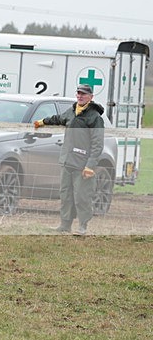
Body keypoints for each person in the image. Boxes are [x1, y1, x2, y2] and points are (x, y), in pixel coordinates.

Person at [34, 84, 105, 235]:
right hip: (67, 161)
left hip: (82, 164)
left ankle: (83, 226)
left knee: (82, 196)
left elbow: (98, 144)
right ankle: (65, 225)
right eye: (78, 93)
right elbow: (59, 118)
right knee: (65, 194)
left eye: (84, 94)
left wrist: (90, 165)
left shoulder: (95, 117)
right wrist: (43, 122)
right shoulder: (72, 111)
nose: (80, 96)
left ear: (91, 97)